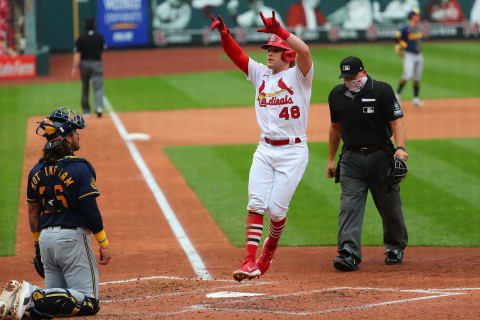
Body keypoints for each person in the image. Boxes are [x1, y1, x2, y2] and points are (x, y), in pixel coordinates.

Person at [210, 10, 313, 282]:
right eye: (267, 49)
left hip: (293, 152)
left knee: (277, 212)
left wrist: (281, 32)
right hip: (265, 150)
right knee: (256, 203)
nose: (269, 53)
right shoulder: (261, 74)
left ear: (287, 55)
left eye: (275, 50)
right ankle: (249, 261)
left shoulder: (300, 78)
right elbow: (237, 56)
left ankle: (269, 249)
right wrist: (225, 34)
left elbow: (305, 50)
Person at [0, 107, 111, 319]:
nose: (77, 136)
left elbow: (33, 210)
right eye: (75, 133)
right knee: (89, 302)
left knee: (49, 306)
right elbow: (90, 210)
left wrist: (37, 245)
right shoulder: (80, 168)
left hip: (46, 242)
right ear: (67, 139)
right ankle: (31, 293)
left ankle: (22, 301)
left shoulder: (36, 171)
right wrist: (103, 242)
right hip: (71, 241)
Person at [326, 56, 408, 272]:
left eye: (352, 76)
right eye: (345, 77)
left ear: (363, 72)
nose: (349, 81)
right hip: (351, 159)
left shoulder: (382, 91)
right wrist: (331, 159)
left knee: (390, 206)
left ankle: (395, 247)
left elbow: (396, 121)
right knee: (349, 206)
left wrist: (400, 148)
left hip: (381, 157)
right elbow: (335, 127)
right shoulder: (336, 95)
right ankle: (348, 253)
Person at [72, 19, 106, 118]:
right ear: (94, 25)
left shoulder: (80, 38)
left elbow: (77, 54)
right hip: (96, 63)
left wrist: (74, 67)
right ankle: (99, 108)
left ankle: (86, 111)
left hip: (84, 64)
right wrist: (99, 62)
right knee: (98, 86)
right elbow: (102, 52)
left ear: (84, 25)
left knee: (85, 86)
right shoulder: (100, 37)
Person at [394, 9, 424, 107]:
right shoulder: (405, 28)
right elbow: (396, 37)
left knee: (417, 77)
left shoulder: (418, 28)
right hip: (409, 55)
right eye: (417, 15)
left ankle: (415, 99)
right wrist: (403, 45)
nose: (419, 17)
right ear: (412, 17)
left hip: (419, 55)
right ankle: (397, 96)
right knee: (407, 75)